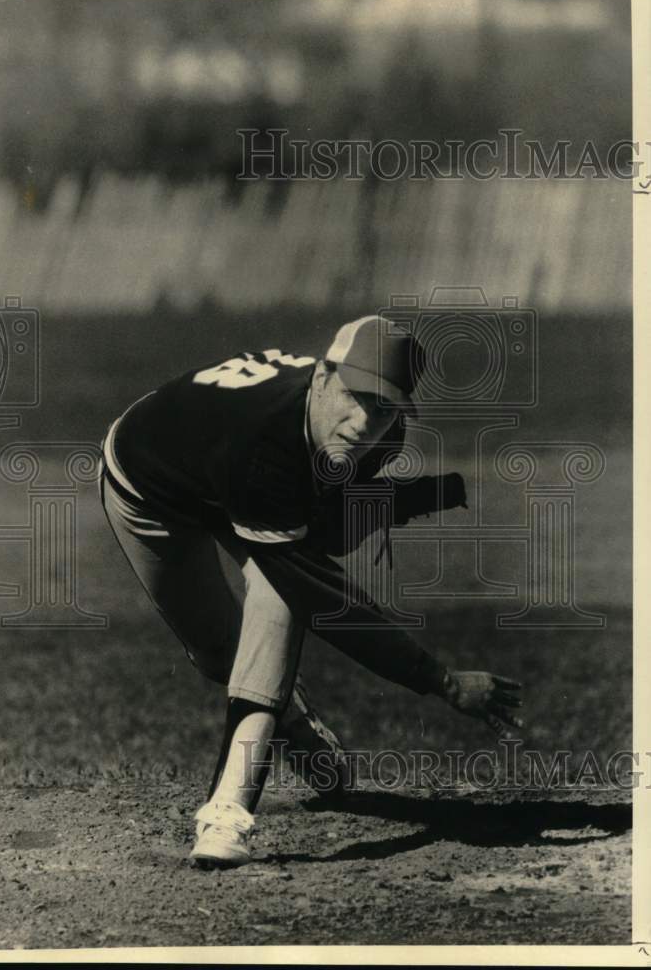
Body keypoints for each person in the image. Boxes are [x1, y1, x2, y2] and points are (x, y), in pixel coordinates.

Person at [98, 314, 524, 869]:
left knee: (275, 600)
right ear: (322, 376)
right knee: (217, 652)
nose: (364, 420)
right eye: (355, 396)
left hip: (239, 481)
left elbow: (323, 529)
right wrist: (439, 680)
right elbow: (326, 600)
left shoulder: (380, 436)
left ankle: (227, 811)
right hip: (149, 486)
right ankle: (296, 727)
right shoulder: (265, 439)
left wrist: (412, 496)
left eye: (386, 406)